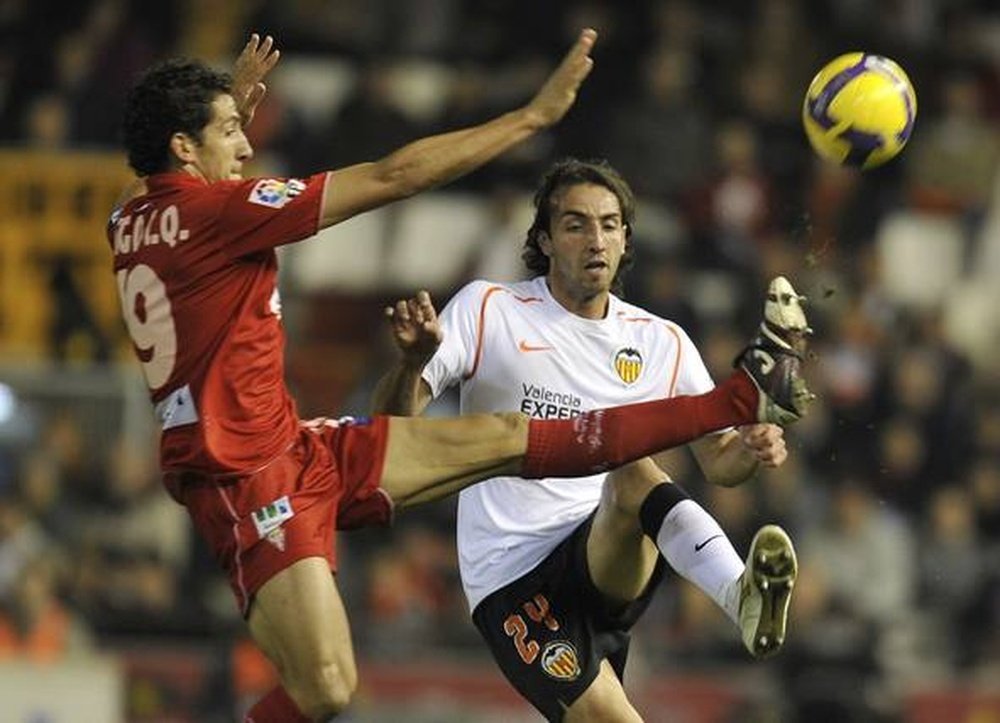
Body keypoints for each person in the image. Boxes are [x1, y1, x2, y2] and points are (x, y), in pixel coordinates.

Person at [107, 32, 811, 723]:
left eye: (609, 225)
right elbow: (393, 175)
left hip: (298, 448)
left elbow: (170, 189)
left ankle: (738, 412)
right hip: (248, 476)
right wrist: (529, 119)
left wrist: (221, 110)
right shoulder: (226, 217)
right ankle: (739, 396)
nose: (248, 144)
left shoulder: (130, 216)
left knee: (525, 438)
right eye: (231, 131)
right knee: (326, 688)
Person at [373, 158, 808, 722]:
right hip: (513, 574)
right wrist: (412, 365)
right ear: (546, 240)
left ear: (626, 240)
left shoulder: (661, 341)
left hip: (604, 555)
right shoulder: (489, 309)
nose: (594, 239)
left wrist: (749, 447)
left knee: (632, 471)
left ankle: (739, 595)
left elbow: (720, 463)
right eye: (576, 224)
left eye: (608, 224)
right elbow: (391, 430)